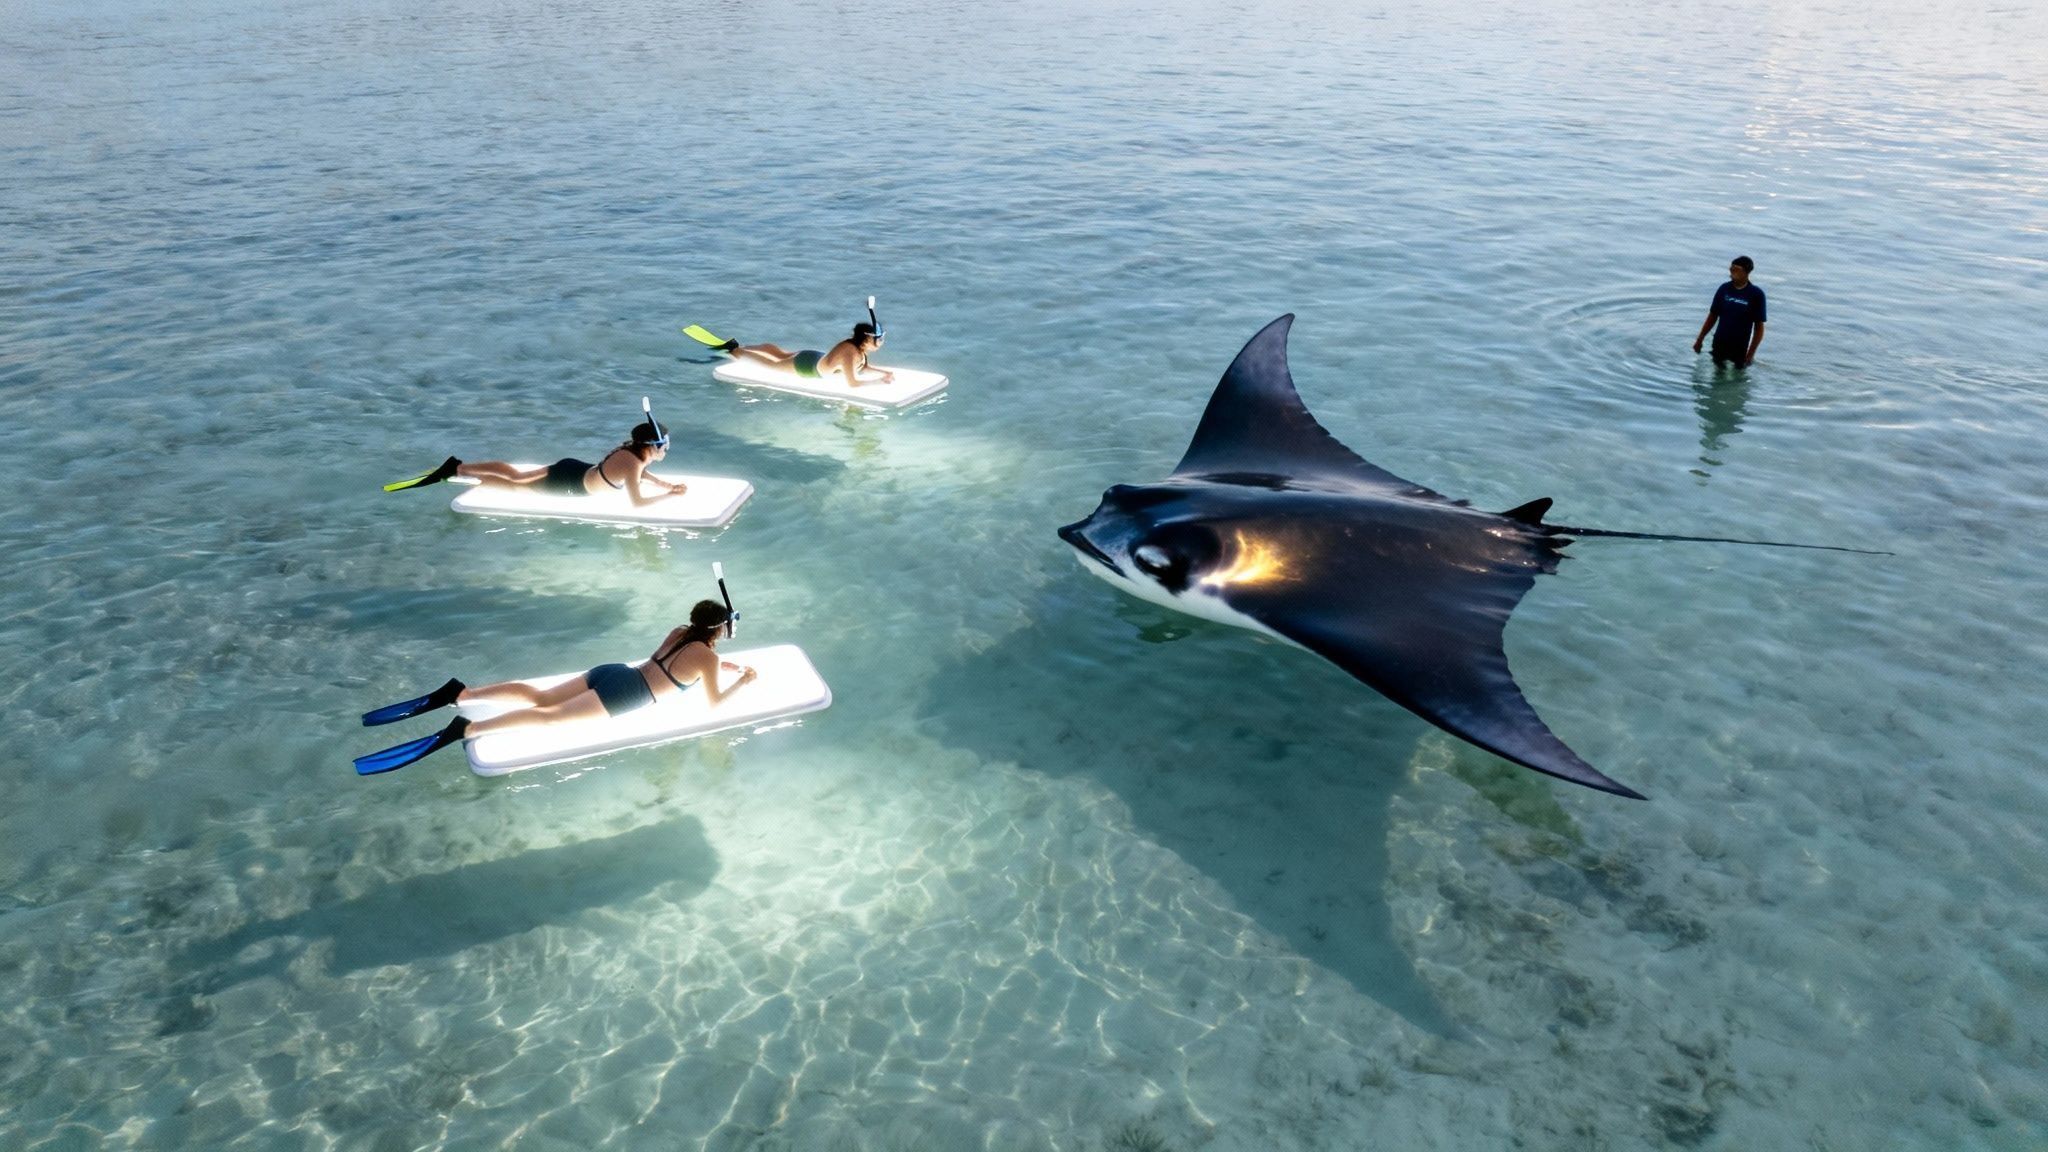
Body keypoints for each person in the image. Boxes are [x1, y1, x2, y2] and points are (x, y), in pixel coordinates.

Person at [354, 600, 758, 774]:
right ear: (722, 629)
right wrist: (740, 679)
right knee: (550, 718)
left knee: (540, 696)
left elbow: (692, 658)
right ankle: (469, 728)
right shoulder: (708, 657)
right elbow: (715, 703)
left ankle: (463, 694)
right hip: (630, 695)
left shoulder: (681, 632)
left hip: (616, 672)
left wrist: (725, 661)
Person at [384, 414, 686, 504]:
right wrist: (667, 497)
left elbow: (643, 475)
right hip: (571, 481)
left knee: (518, 478)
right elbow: (637, 501)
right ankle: (457, 470)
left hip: (576, 468)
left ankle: (459, 468)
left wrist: (667, 484)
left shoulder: (636, 455)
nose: (667, 451)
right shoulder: (633, 461)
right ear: (653, 445)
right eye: (666, 446)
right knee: (517, 483)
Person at [725, 322, 895, 388]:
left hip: (812, 356)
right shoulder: (849, 353)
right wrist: (880, 381)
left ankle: (746, 347)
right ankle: (736, 351)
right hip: (807, 367)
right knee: (771, 365)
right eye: (879, 339)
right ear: (867, 339)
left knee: (780, 354)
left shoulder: (858, 349)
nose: (881, 342)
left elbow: (863, 368)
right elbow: (853, 383)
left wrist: (884, 373)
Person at [1693, 256, 1767, 368]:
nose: (1731, 272)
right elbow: (1712, 316)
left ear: (1746, 272)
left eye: (1736, 269)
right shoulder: (1724, 289)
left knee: (1738, 380)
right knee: (1718, 374)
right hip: (1719, 342)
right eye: (1731, 268)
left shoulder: (1756, 295)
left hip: (1740, 346)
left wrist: (1751, 353)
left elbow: (1759, 328)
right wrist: (1700, 339)